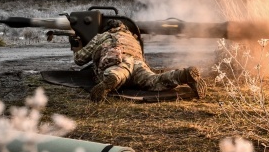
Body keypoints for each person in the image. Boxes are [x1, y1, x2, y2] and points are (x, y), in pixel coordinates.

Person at [73, 20, 204, 102]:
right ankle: (182, 75)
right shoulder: (133, 39)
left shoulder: (102, 36)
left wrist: (77, 45)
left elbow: (79, 59)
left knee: (118, 73)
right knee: (153, 80)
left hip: (118, 59)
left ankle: (111, 81)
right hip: (137, 63)